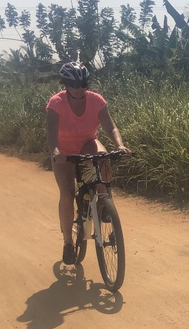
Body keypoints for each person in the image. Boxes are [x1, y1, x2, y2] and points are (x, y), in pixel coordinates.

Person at [46, 61, 130, 265]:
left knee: (103, 158)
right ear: (66, 84)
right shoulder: (56, 103)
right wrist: (56, 151)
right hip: (64, 153)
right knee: (67, 194)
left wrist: (120, 145)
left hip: (87, 144)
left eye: (83, 84)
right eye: (74, 84)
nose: (79, 88)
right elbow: (51, 134)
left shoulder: (96, 101)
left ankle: (103, 202)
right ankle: (68, 242)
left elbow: (111, 127)